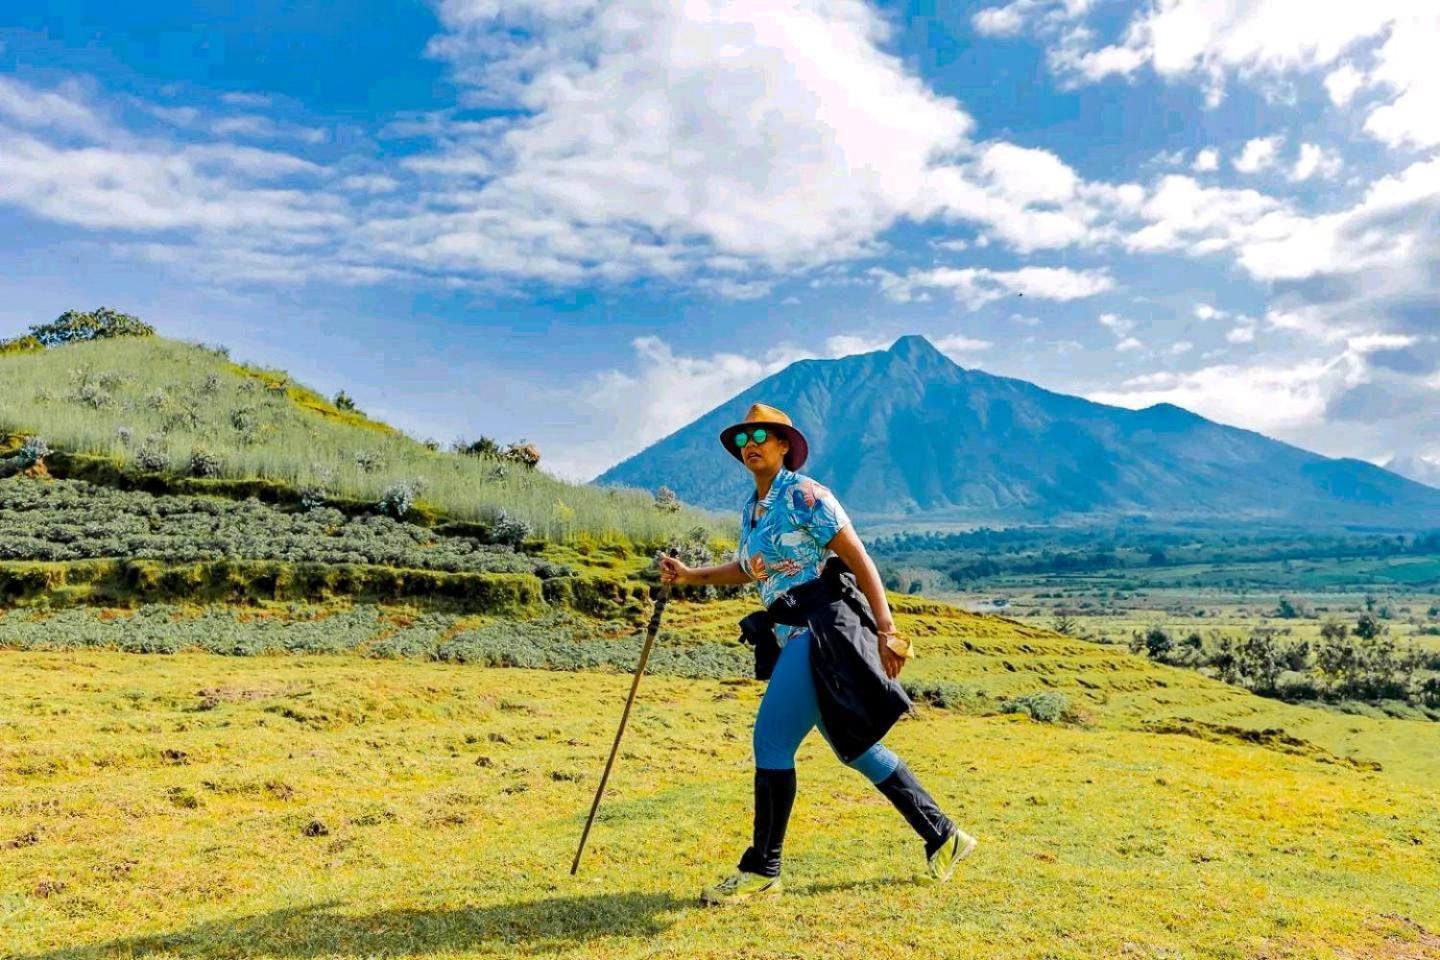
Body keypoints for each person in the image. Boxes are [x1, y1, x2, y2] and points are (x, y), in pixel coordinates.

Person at [659, 402, 977, 906]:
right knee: (856, 749)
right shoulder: (753, 509)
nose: (752, 446)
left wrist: (887, 629)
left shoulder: (807, 495)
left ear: (785, 445)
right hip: (786, 632)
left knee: (771, 741)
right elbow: (751, 568)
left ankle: (763, 870)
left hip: (819, 630)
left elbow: (858, 558)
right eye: (744, 440)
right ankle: (944, 835)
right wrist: (691, 576)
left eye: (762, 436)